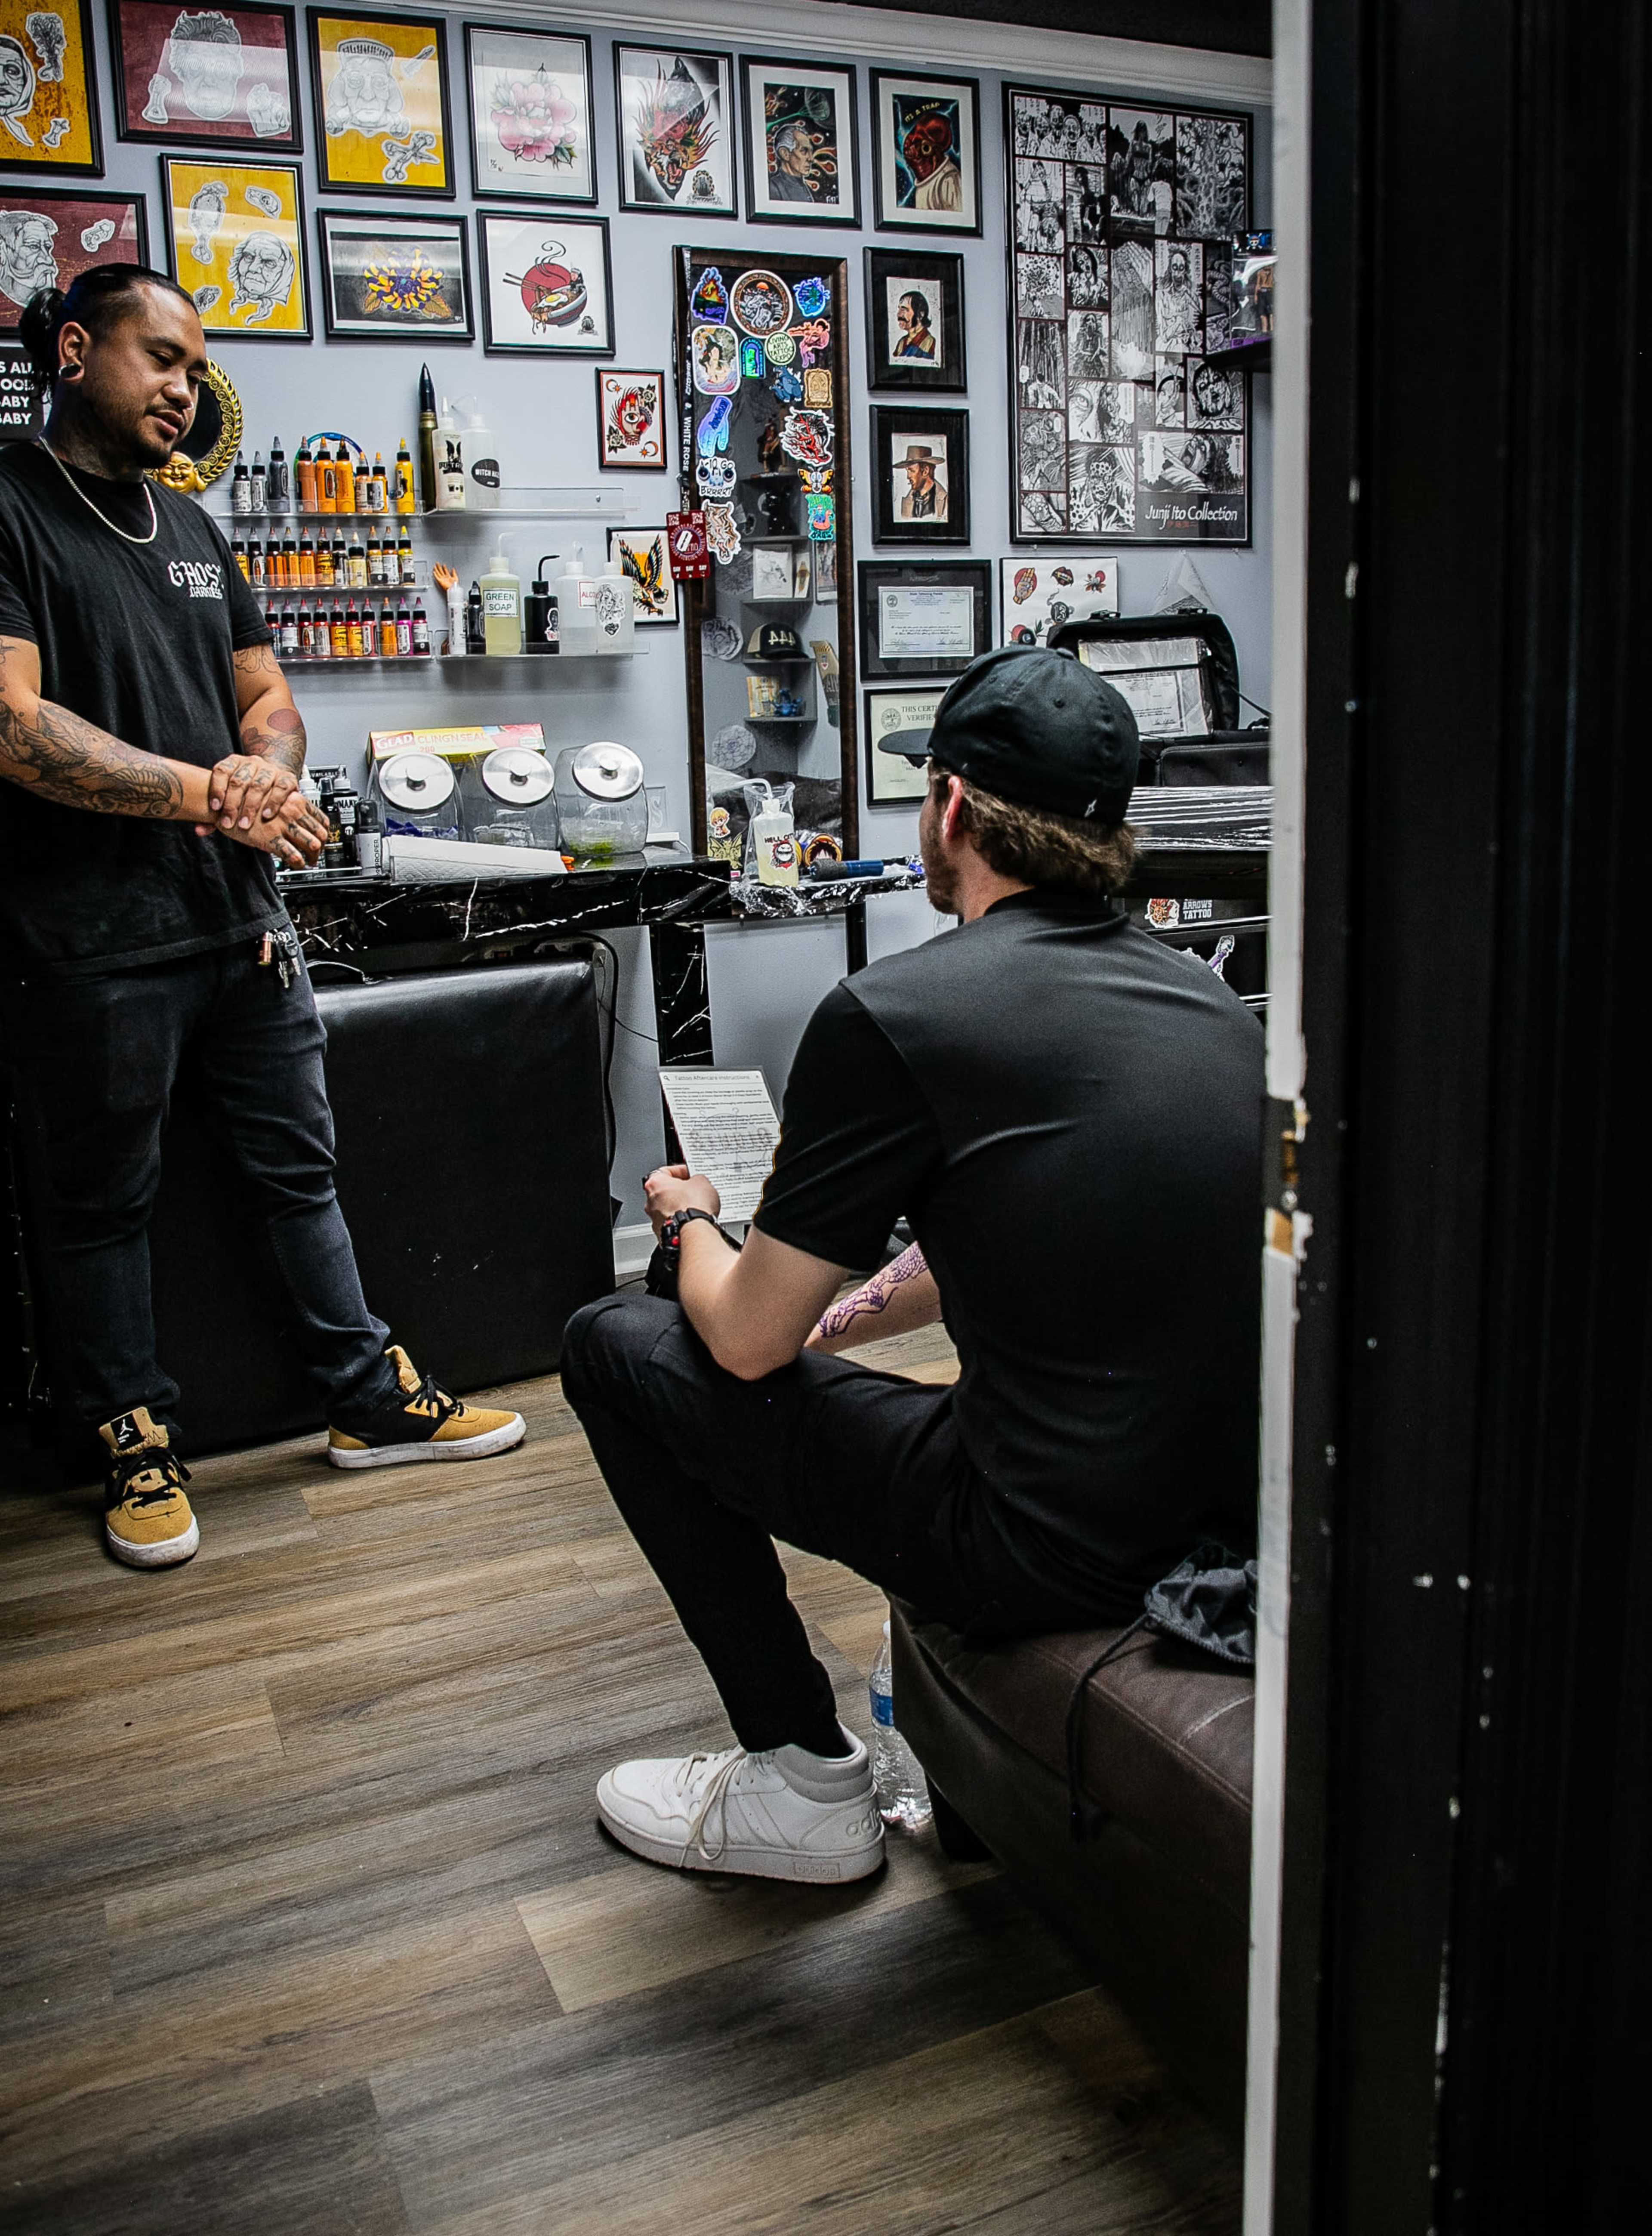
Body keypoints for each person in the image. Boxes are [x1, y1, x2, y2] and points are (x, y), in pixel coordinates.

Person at [561, 645, 1264, 1885]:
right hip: (1213, 1526)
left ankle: (800, 1778)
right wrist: (832, 1323)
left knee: (613, 1345)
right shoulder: (1209, 1005)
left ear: (950, 808)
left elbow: (740, 1342)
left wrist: (691, 1224)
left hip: (1042, 1548)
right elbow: (1005, 1225)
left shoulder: (901, 1012)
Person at [0, 265, 526, 1572]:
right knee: (99, 1203)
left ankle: (363, 1397)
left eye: (195, 368)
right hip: (90, 939)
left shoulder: (192, 531)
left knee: (301, 1170)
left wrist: (262, 772)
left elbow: (271, 706)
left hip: (241, 923)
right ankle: (132, 1434)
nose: (186, 387)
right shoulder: (9, 507)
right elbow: (12, 727)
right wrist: (212, 795)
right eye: (161, 357)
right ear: (75, 350)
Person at [897, 440, 946, 520]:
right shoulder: (908, 501)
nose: (908, 477)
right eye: (907, 471)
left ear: (925, 471)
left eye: (912, 471)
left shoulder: (945, 500)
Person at [891, 289, 937, 363]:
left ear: (921, 314)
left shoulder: (929, 342)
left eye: (904, 310)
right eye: (899, 309)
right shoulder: (902, 343)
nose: (899, 314)